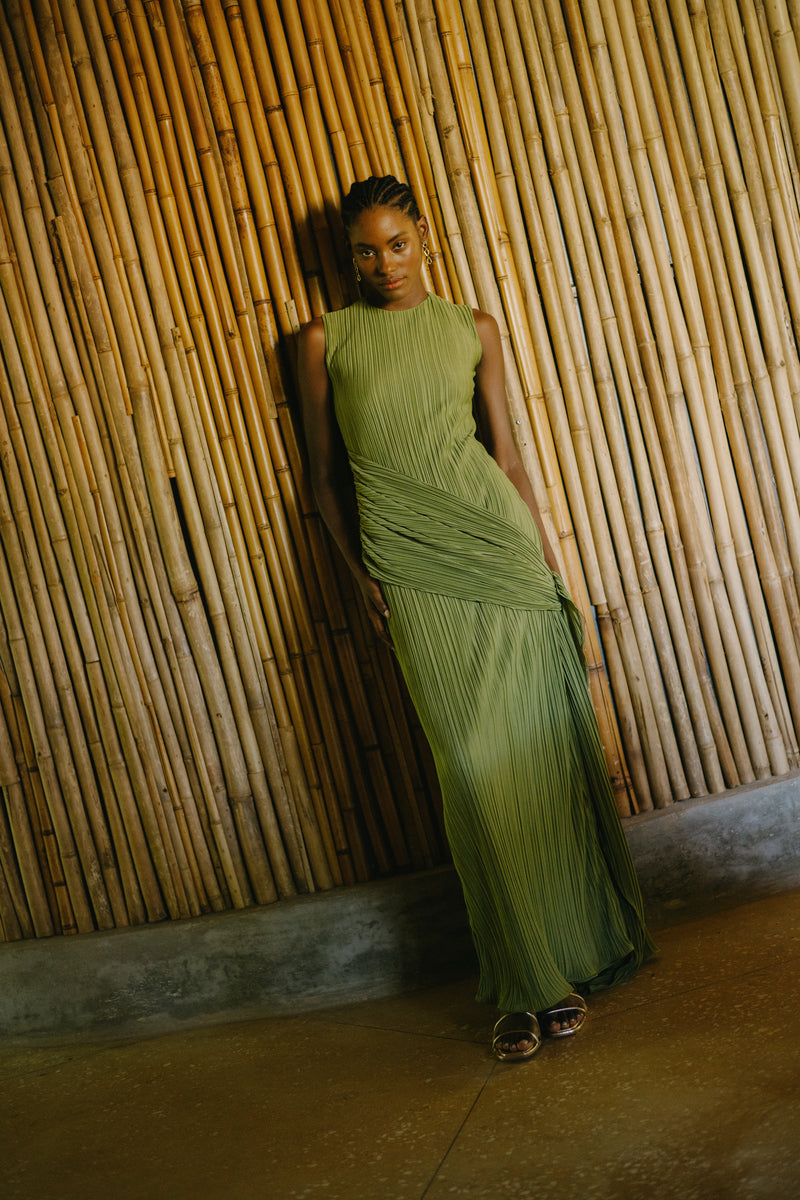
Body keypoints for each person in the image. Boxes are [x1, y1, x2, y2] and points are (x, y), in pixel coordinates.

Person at [297, 174, 656, 1061]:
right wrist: (361, 576)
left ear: (426, 237)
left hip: (499, 552)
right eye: (366, 252)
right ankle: (525, 977)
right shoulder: (324, 342)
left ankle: (559, 969)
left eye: (398, 244)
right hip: (409, 567)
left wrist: (548, 565)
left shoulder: (473, 328)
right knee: (469, 771)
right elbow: (324, 481)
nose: (385, 264)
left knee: (536, 757)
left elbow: (509, 456)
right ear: (350, 260)